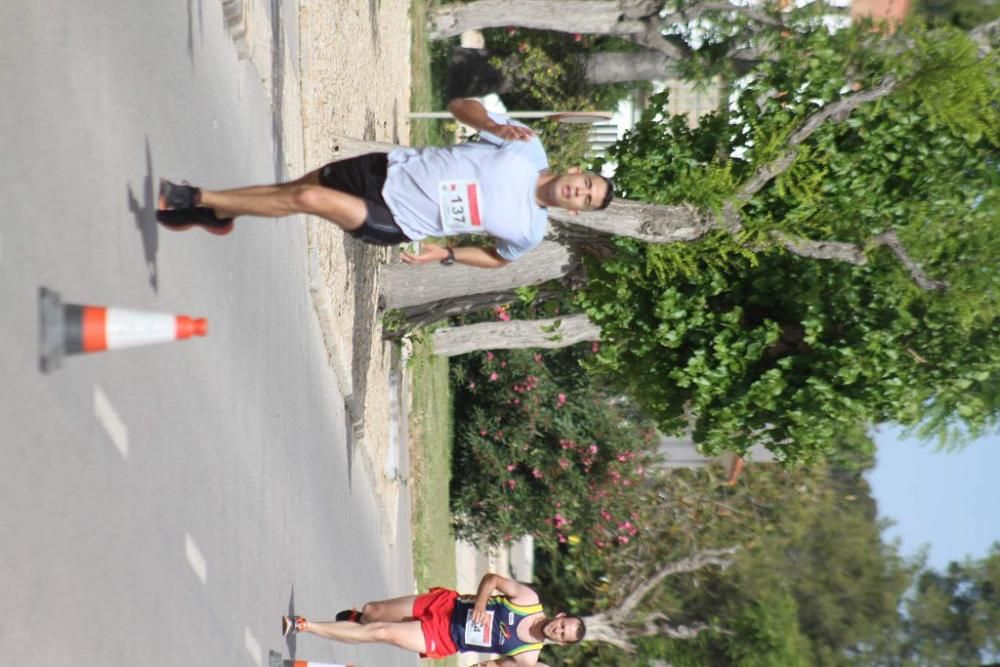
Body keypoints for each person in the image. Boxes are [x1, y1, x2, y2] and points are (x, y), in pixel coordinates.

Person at [156, 98, 613, 268]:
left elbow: (499, 258)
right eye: (587, 183)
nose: (580, 192)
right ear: (575, 171)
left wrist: (448, 253)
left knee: (306, 198)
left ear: (576, 211)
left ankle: (193, 196)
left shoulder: (529, 231)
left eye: (586, 201)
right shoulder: (525, 146)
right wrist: (493, 127)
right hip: (386, 169)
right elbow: (460, 106)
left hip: (395, 219)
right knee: (289, 191)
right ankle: (217, 215)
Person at [281, 572, 586, 665]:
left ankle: (307, 626)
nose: (558, 629)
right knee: (372, 612)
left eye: (562, 635)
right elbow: (492, 579)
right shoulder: (529, 601)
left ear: (560, 642)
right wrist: (480, 604)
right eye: (563, 624)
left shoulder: (528, 657)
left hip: (446, 638)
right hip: (447, 606)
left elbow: (494, 665)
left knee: (382, 633)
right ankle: (357, 619)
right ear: (560, 616)